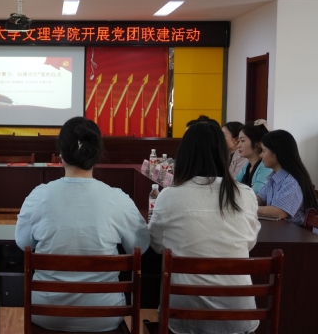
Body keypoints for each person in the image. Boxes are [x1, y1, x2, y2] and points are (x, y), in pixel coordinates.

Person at [15, 116, 150, 332]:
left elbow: (23, 243)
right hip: (105, 315)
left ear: (60, 154)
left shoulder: (39, 196)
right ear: (97, 154)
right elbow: (140, 246)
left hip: (46, 313)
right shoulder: (118, 199)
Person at [148, 122, 261, 334]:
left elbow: (156, 245)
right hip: (237, 315)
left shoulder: (170, 196)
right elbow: (249, 242)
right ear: (222, 153)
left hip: (184, 316)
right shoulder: (244, 194)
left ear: (184, 155)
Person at [257, 130, 318, 230]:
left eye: (263, 151)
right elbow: (260, 198)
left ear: (277, 153)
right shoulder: (274, 177)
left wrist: (250, 208)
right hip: (282, 231)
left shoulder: (291, 182)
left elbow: (279, 212)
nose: (260, 155)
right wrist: (244, 202)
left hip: (298, 235)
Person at [235, 120, 272, 193]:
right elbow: (233, 185)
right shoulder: (248, 165)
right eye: (239, 141)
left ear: (257, 144)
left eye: (242, 141)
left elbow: (255, 194)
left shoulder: (265, 167)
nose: (238, 145)